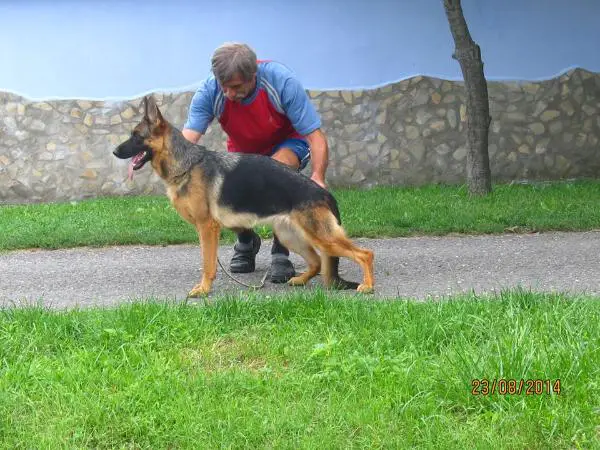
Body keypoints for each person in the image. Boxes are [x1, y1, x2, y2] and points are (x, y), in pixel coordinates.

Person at [182, 42, 330, 283]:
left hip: (288, 144)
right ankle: (246, 241)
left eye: (236, 86)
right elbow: (187, 139)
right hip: (243, 151)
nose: (229, 93)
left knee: (273, 175)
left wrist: (318, 178)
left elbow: (315, 136)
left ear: (253, 76)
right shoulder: (210, 90)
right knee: (224, 189)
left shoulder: (281, 81)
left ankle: (281, 252)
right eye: (224, 86)